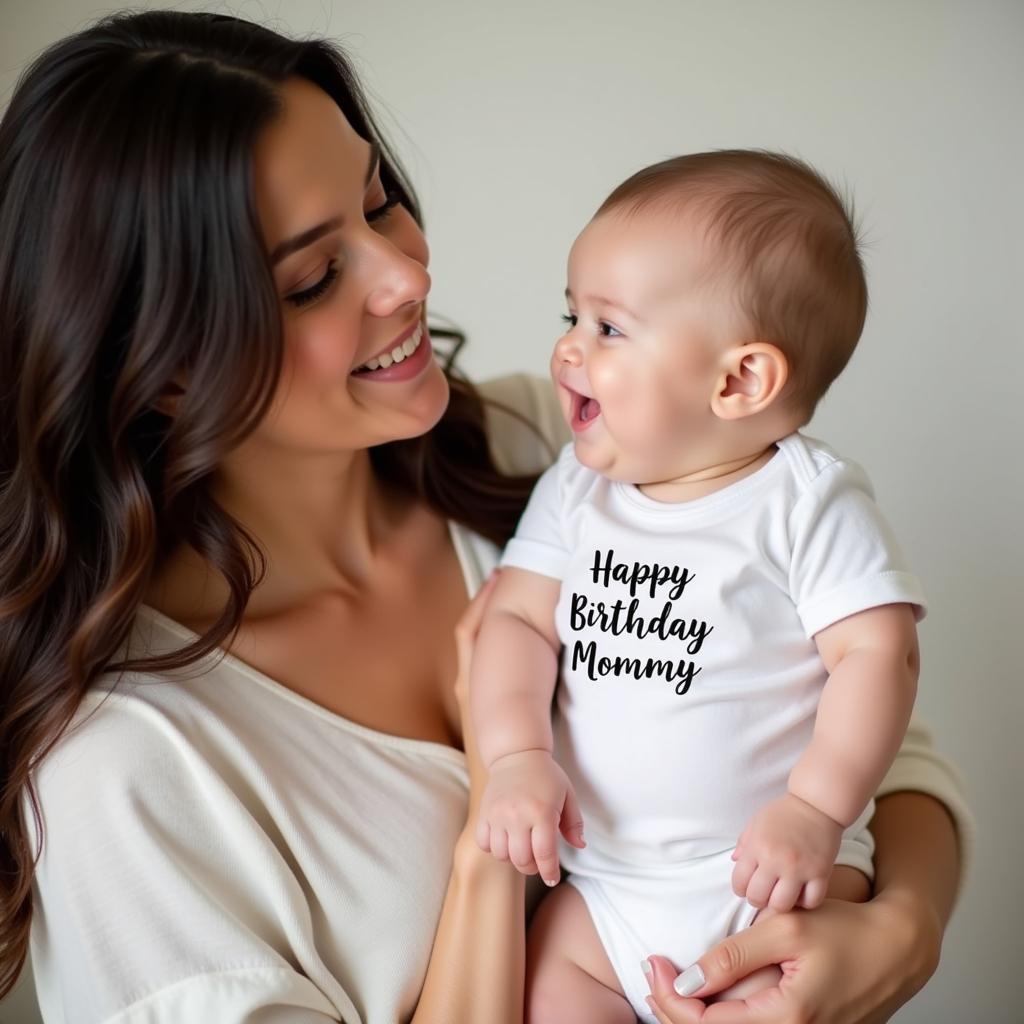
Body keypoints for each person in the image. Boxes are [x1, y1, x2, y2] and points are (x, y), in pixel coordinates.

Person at [0, 10, 971, 1024]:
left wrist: (901, 931)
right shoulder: (124, 770)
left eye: (379, 204)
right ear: (163, 368)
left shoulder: (549, 448)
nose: (409, 276)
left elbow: (866, 729)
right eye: (313, 277)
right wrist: (486, 842)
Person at [469, 151, 934, 1023]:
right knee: (550, 986)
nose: (567, 347)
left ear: (739, 380)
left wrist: (815, 807)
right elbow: (516, 625)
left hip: (770, 882)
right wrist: (517, 756)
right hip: (605, 890)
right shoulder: (577, 489)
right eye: (572, 315)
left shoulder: (804, 501)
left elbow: (880, 653)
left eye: (609, 328)